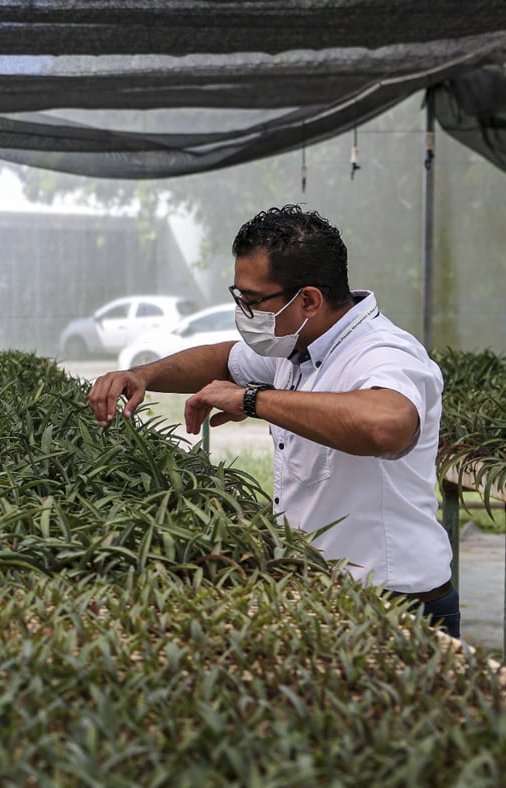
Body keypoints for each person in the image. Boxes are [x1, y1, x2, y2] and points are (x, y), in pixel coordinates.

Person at [87, 205, 458, 637]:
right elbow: (224, 358)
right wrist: (142, 375)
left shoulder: (383, 352)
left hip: (397, 607)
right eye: (239, 297)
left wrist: (252, 399)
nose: (244, 312)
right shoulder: (299, 344)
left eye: (253, 301)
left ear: (308, 299)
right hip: (325, 594)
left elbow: (385, 427)